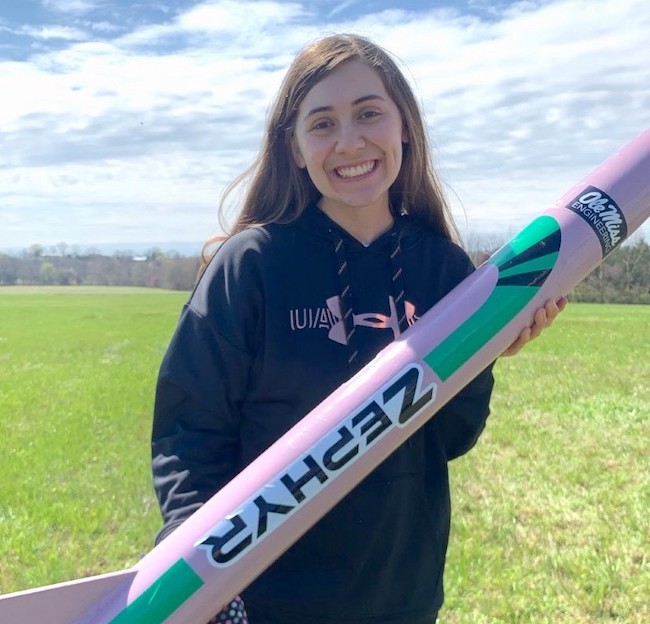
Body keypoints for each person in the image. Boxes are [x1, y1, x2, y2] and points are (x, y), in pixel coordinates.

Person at [151, 33, 565, 624]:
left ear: (404, 127)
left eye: (369, 113)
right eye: (322, 123)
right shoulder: (251, 265)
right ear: (294, 148)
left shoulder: (443, 266)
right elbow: (189, 432)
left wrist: (484, 355)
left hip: (402, 598)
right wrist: (202, 586)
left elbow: (449, 439)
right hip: (266, 604)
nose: (349, 142)